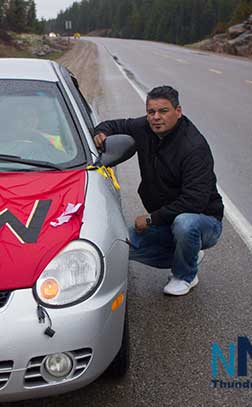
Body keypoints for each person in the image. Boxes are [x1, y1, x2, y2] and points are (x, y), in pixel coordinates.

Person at [93, 86, 223, 296]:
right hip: (166, 220)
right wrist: (101, 132)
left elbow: (193, 202)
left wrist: (152, 219)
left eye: (163, 111)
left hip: (203, 220)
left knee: (185, 224)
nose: (156, 117)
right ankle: (189, 254)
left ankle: (184, 275)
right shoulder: (146, 127)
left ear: (178, 111)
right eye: (151, 111)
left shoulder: (194, 147)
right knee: (119, 244)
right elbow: (115, 124)